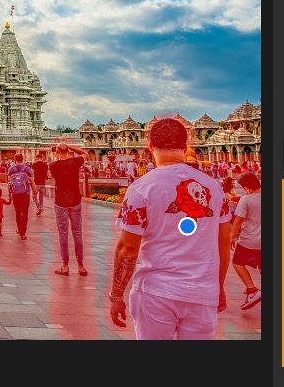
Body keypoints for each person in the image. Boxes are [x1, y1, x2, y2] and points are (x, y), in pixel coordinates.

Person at [108, 117, 233, 339]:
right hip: (201, 292)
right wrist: (218, 286)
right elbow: (224, 243)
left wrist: (116, 295)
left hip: (156, 292)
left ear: (150, 147)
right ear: (186, 148)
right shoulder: (213, 188)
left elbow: (127, 249)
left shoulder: (142, 188)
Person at [49, 143, 88, 276]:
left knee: (63, 234)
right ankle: (80, 266)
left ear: (57, 152)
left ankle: (65, 266)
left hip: (61, 202)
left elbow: (52, 176)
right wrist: (70, 147)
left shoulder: (53, 165)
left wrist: (61, 150)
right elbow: (84, 153)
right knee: (77, 233)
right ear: (68, 151)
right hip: (75, 201)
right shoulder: (75, 162)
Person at [230, 172, 262, 310]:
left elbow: (239, 219)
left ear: (247, 187)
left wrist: (232, 235)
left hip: (249, 240)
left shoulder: (246, 199)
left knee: (237, 262)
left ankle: (252, 289)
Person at [6, 153, 36, 239]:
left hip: (15, 194)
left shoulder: (11, 169)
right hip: (25, 193)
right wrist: (34, 192)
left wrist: (9, 195)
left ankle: (19, 229)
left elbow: (9, 183)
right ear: (23, 159)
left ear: (15, 159)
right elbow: (32, 182)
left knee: (18, 212)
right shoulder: (28, 169)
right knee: (25, 212)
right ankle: (23, 231)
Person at [32, 152, 49, 216]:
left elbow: (32, 174)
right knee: (41, 197)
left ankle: (39, 207)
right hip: (43, 183)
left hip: (36, 183)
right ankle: (41, 207)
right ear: (42, 158)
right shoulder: (45, 165)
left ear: (37, 158)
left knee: (34, 196)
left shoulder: (34, 164)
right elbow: (47, 175)